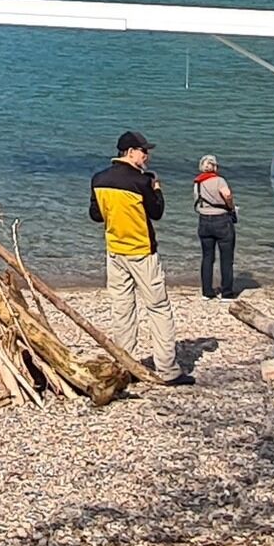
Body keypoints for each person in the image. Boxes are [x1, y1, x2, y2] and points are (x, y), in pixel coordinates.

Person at [89, 131, 182, 383]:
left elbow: (96, 215)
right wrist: (157, 189)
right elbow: (157, 212)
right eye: (143, 151)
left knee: (122, 309)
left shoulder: (99, 179)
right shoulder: (141, 182)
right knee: (158, 308)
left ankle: (125, 364)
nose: (147, 156)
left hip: (115, 250)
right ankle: (167, 368)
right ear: (130, 153)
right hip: (141, 251)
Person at [191, 155, 238, 300]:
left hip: (204, 220)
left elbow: (197, 201)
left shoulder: (197, 183)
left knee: (207, 257)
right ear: (215, 167)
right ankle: (227, 293)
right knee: (226, 258)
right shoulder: (219, 180)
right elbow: (227, 194)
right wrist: (231, 206)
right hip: (221, 220)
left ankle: (207, 291)